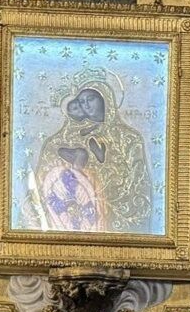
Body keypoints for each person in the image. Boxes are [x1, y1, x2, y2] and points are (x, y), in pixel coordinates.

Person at [32, 84, 152, 234]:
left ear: (105, 100)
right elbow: (46, 175)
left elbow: (137, 181)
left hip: (115, 213)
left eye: (91, 99)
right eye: (82, 102)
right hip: (75, 214)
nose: (86, 105)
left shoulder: (128, 137)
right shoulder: (66, 137)